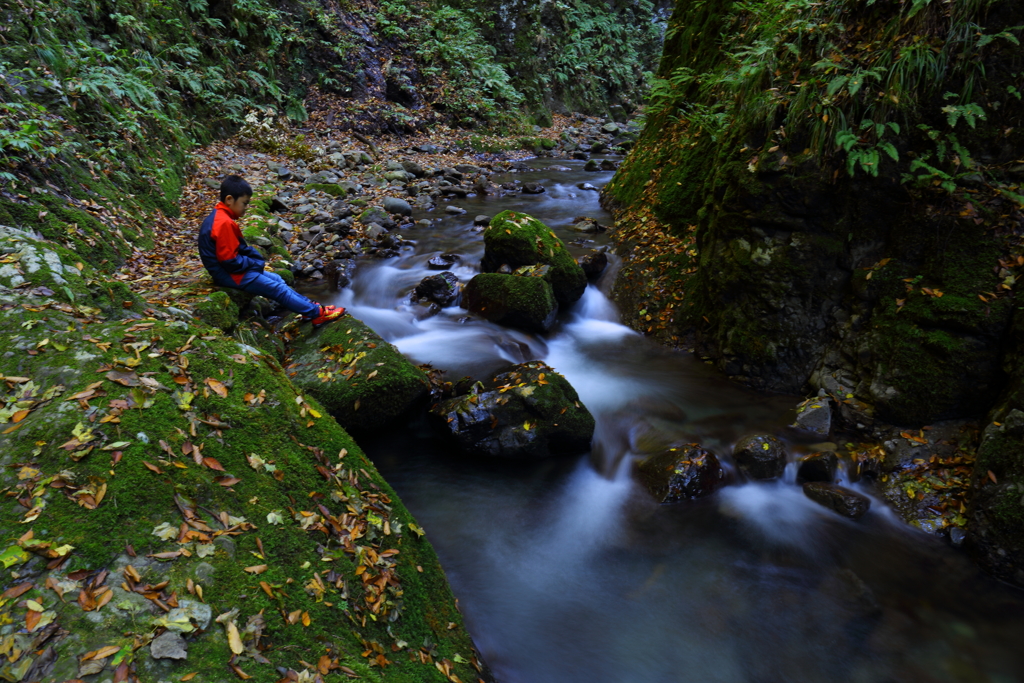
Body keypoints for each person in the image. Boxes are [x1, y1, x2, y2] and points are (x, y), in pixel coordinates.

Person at [198, 175, 345, 327]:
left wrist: (252, 262)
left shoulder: (220, 217)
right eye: (244, 203)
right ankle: (317, 314)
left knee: (277, 279)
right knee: (278, 289)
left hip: (229, 271)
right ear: (229, 199)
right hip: (228, 274)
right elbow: (230, 261)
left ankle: (309, 308)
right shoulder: (224, 223)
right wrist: (253, 263)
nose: (246, 207)